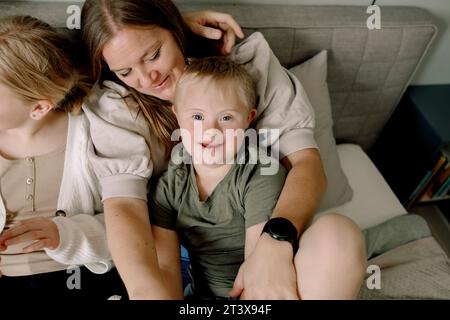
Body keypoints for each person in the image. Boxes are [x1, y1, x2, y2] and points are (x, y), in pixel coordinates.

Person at [81, 0, 367, 299]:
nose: (147, 78)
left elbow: (306, 164)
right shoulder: (118, 109)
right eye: (126, 71)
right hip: (202, 275)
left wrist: (274, 243)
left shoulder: (247, 75)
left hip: (283, 243)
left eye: (153, 54)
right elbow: (125, 206)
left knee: (339, 233)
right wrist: (145, 292)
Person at [0, 15, 127, 299]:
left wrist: (66, 235)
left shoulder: (92, 131)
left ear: (39, 109)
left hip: (87, 275)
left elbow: (132, 225)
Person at [149, 56, 288, 300]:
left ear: (248, 118)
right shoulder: (169, 187)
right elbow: (167, 270)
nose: (211, 130)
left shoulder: (260, 173)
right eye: (197, 117)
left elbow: (260, 267)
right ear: (178, 116)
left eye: (226, 118)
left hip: (257, 292)